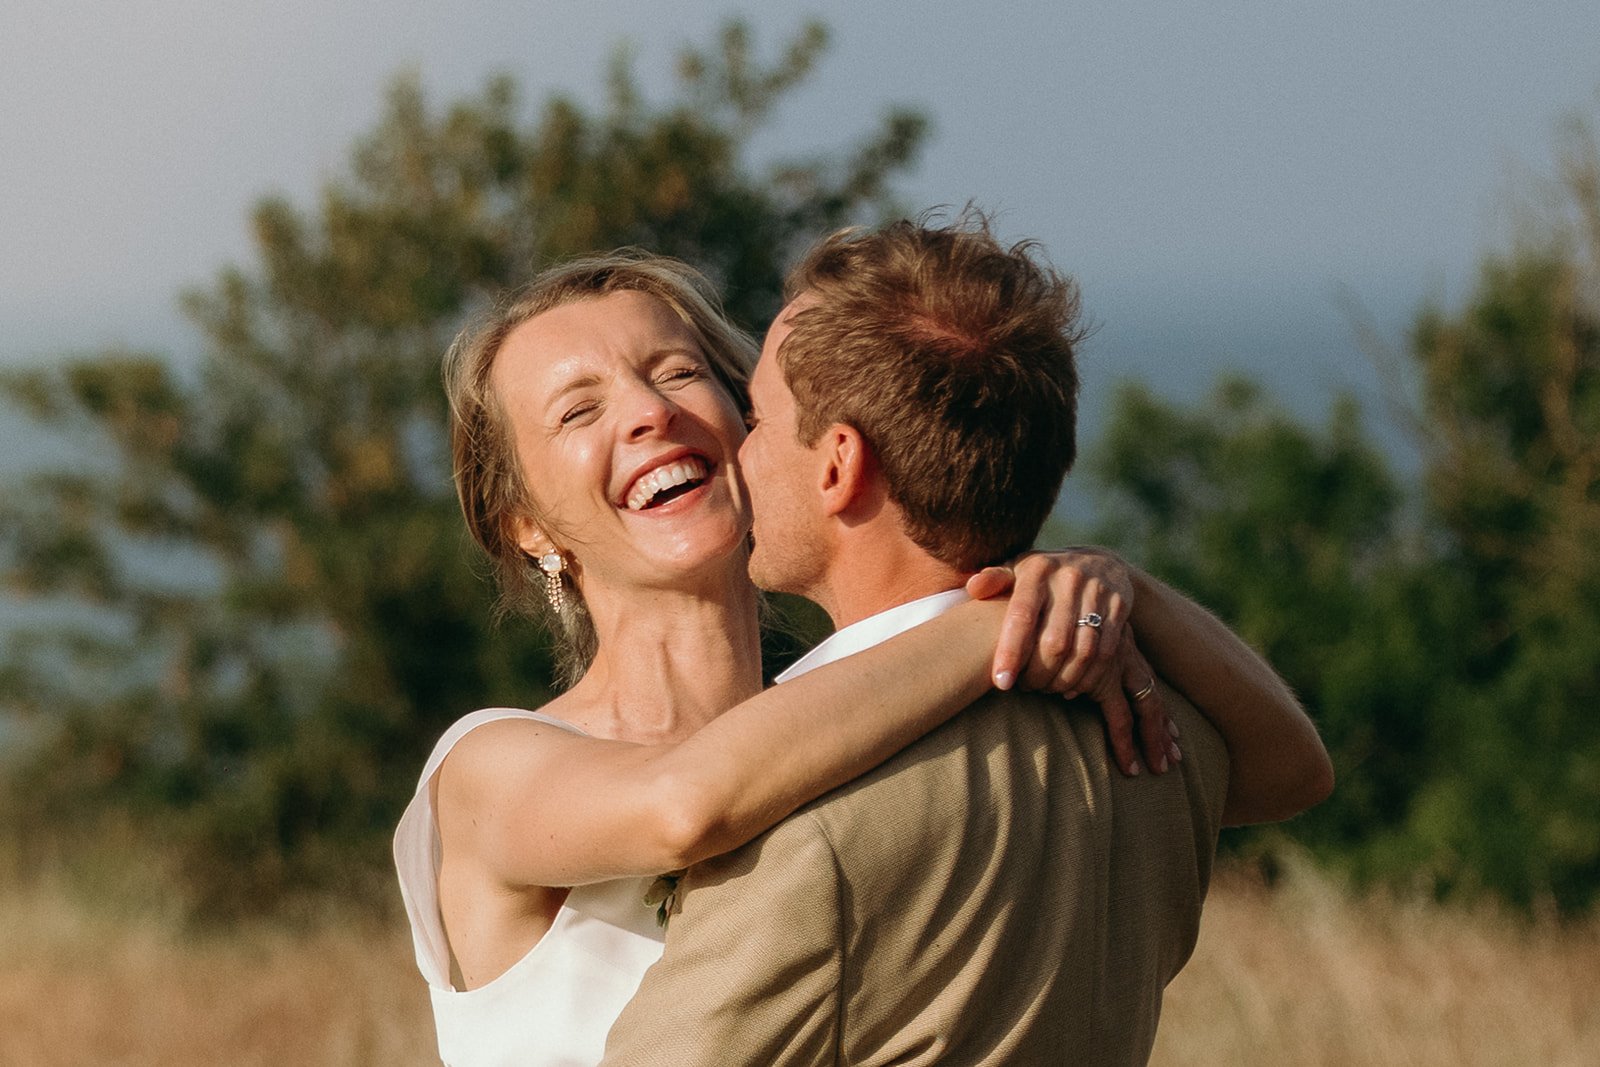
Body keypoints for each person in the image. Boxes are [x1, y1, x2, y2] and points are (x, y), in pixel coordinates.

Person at [394, 243, 1323, 1066]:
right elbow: (686, 807)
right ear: (525, 524)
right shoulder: (489, 767)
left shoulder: (869, 722)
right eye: (577, 410)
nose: (645, 413)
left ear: (750, 428)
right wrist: (993, 613)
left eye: (676, 373)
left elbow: (1284, 773)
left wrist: (1116, 583)